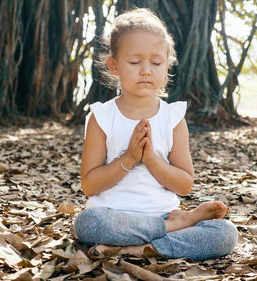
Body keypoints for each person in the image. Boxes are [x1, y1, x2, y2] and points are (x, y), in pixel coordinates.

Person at [74, 8, 237, 261]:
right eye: (134, 62)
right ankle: (174, 230)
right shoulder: (102, 118)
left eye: (156, 62)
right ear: (114, 65)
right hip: (112, 217)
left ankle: (138, 249)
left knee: (225, 233)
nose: (146, 70)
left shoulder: (172, 118)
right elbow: (89, 184)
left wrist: (151, 160)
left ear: (167, 65)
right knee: (87, 223)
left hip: (161, 214)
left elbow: (184, 184)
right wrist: (129, 158)